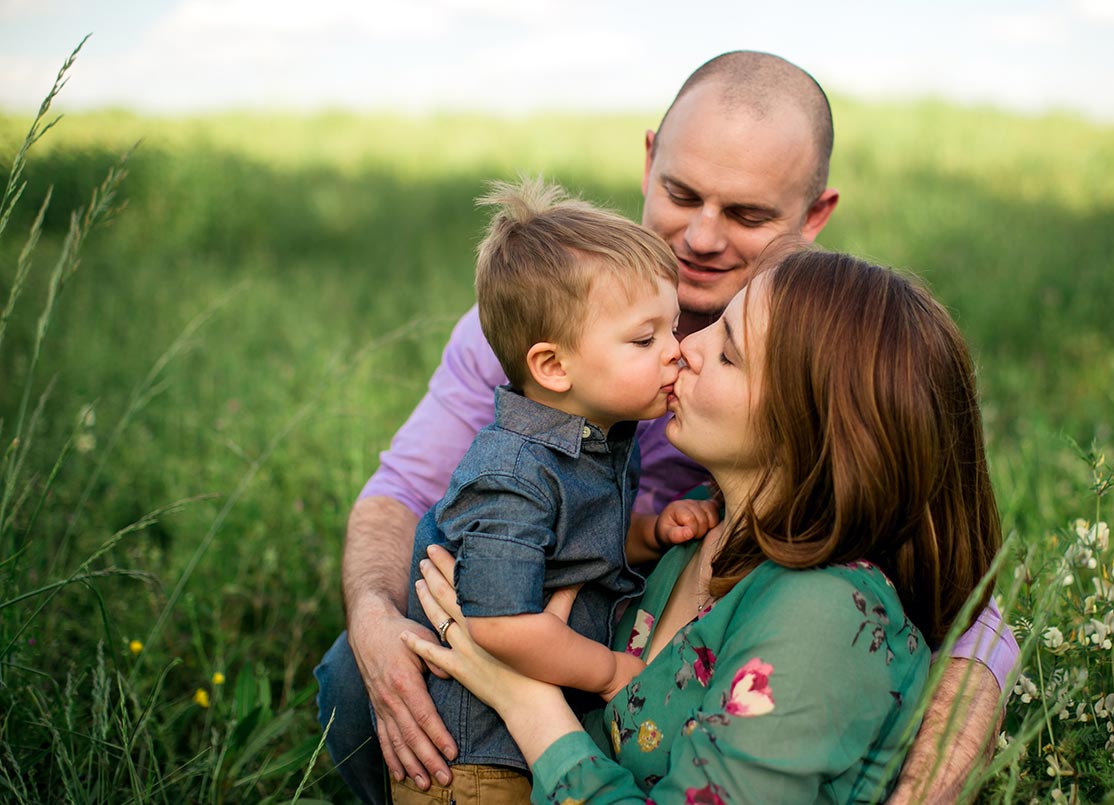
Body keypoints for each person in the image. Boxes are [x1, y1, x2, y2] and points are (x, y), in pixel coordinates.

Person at [316, 50, 1018, 803]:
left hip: (645, 651)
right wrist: (376, 619)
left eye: (748, 214)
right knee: (358, 675)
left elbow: (944, 564)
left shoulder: (829, 353)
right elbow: (400, 491)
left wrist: (950, 734)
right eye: (682, 193)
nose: (703, 237)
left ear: (814, 217)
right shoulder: (539, 322)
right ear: (649, 161)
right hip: (565, 622)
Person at [402, 248, 1006, 803]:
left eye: (728, 352)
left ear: (811, 426)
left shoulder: (825, 615)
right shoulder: (700, 523)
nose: (686, 346)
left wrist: (525, 699)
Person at [392, 178, 719, 804]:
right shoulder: (513, 474)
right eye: (645, 340)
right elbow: (501, 625)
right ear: (553, 367)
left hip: (536, 740)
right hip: (476, 762)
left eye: (673, 329)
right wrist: (611, 672)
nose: (677, 353)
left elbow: (573, 543)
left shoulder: (597, 437)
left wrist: (649, 532)